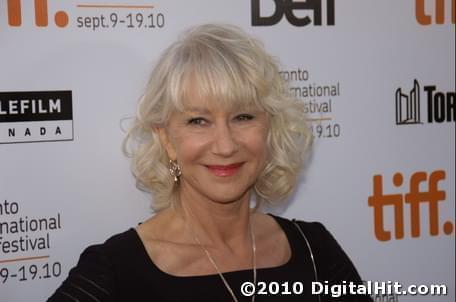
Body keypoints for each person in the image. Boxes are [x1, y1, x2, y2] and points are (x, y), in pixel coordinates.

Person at [48, 24, 372, 302]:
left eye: (243, 117)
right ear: (165, 139)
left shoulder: (315, 250)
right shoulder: (114, 271)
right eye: (198, 121)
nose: (226, 145)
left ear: (269, 129)